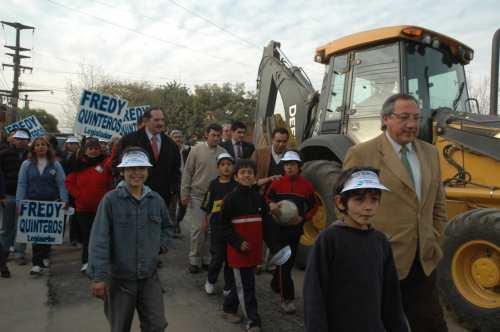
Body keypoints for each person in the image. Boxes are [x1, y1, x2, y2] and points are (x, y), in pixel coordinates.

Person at [343, 93, 448, 332]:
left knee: (431, 323)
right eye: (404, 118)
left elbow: (438, 203)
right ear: (386, 119)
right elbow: (347, 209)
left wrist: (436, 238)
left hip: (424, 259)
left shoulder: (430, 152)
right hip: (382, 261)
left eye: (416, 118)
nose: (412, 124)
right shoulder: (363, 154)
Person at [303, 167, 408, 332]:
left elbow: (391, 298)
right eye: (359, 200)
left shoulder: (380, 241)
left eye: (374, 199)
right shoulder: (329, 240)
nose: (368, 207)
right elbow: (314, 295)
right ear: (340, 202)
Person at [88, 147, 173, 332]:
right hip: (119, 280)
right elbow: (99, 240)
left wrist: (161, 246)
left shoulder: (155, 200)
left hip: (149, 278)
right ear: (122, 172)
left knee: (157, 325)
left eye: (141, 168)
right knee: (120, 328)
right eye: (131, 169)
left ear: (147, 171)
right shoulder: (110, 200)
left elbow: (167, 227)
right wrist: (98, 278)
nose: (137, 173)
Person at [219, 159, 273, 332]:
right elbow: (222, 226)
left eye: (250, 172)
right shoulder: (230, 199)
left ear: (255, 176)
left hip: (253, 250)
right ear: (236, 177)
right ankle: (253, 320)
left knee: (240, 282)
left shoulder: (259, 199)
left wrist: (275, 246)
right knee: (247, 285)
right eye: (242, 172)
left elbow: (267, 224)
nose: (246, 175)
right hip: (238, 251)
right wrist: (237, 242)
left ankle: (229, 308)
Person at [265, 150, 318, 313]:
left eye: (292, 165)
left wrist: (303, 218)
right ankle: (287, 299)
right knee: (285, 265)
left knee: (286, 263)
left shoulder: (306, 186)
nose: (289, 168)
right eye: (286, 165)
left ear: (299, 167)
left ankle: (276, 282)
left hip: (294, 231)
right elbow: (267, 198)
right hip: (277, 230)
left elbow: (314, 206)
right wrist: (271, 205)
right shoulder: (277, 184)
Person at [16, 136, 69, 275]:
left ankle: (45, 256)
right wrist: (19, 202)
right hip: (32, 205)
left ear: (48, 147)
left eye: (43, 145)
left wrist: (64, 200)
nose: (40, 147)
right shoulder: (26, 165)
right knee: (35, 234)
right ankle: (36, 263)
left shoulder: (55, 164)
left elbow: (62, 183)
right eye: (37, 145)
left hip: (51, 204)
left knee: (47, 233)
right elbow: (22, 184)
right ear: (33, 148)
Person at [181, 123, 227, 273]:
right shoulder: (196, 150)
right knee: (199, 229)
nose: (216, 138)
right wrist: (184, 193)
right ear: (206, 134)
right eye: (213, 135)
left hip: (217, 197)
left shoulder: (223, 152)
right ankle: (194, 259)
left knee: (212, 229)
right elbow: (187, 172)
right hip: (198, 195)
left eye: (219, 136)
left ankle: (207, 259)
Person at [65, 137, 114, 272]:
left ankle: (101, 261)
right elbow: (69, 182)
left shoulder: (105, 163)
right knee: (88, 235)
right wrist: (79, 195)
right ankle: (86, 261)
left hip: (102, 207)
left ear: (100, 149)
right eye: (90, 149)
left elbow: (113, 165)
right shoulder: (78, 164)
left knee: (102, 235)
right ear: (85, 150)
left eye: (96, 148)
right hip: (83, 208)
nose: (93, 151)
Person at [118, 107, 181, 207]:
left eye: (162, 120)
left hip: (162, 199)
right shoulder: (129, 140)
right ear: (145, 121)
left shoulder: (171, 144)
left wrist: (173, 189)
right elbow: (118, 165)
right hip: (133, 198)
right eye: (156, 120)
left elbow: (176, 170)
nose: (160, 123)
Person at [201, 152, 237, 295]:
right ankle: (211, 280)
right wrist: (205, 221)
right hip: (217, 226)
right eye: (223, 165)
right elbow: (207, 205)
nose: (226, 168)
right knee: (217, 257)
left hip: (233, 227)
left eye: (229, 165)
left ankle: (228, 286)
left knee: (230, 259)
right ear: (218, 168)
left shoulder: (236, 185)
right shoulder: (213, 184)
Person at [0, 129, 30, 265]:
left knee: (21, 227)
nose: (21, 142)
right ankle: (4, 253)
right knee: (6, 227)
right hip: (8, 196)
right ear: (13, 140)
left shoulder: (31, 156)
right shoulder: (3, 154)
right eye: (18, 139)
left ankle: (19, 253)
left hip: (25, 197)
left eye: (24, 140)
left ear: (28, 141)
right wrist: (1, 195)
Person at [169, 129, 191, 236]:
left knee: (183, 206)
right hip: (173, 182)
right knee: (172, 206)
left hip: (185, 181)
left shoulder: (188, 150)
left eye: (179, 137)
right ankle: (173, 226)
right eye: (175, 137)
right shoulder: (168, 150)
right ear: (171, 139)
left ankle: (177, 221)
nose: (178, 139)